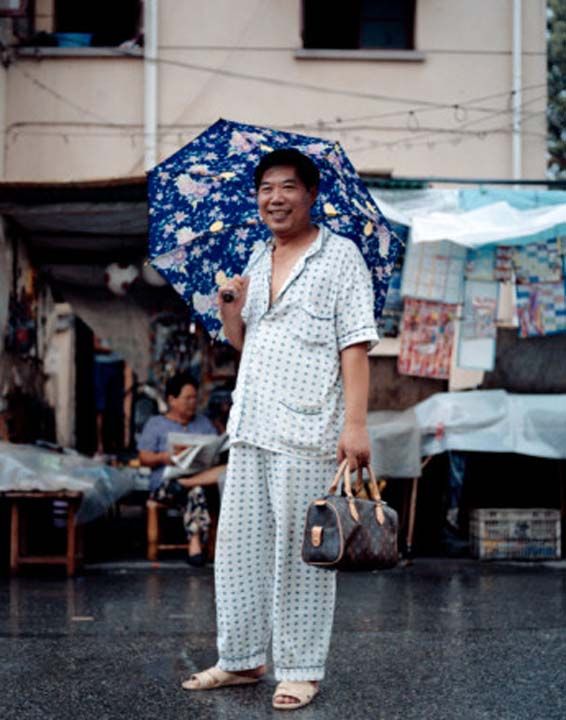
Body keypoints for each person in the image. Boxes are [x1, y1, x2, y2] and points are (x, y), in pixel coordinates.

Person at [183, 149, 378, 710]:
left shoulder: (340, 258)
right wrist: (230, 309)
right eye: (266, 188)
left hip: (311, 427)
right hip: (250, 424)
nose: (275, 197)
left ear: (311, 194)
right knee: (238, 549)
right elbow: (248, 344)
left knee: (303, 553)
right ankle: (241, 659)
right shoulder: (256, 256)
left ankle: (300, 669)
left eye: (287, 186)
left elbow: (356, 344)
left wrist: (356, 424)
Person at [138, 371, 223, 566]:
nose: (192, 402)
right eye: (187, 398)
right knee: (195, 490)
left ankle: (198, 543)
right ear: (172, 399)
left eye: (195, 398)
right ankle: (195, 543)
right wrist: (164, 457)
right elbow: (143, 458)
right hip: (165, 484)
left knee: (199, 487)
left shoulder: (203, 423)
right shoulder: (156, 424)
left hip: (197, 477)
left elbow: (215, 451)